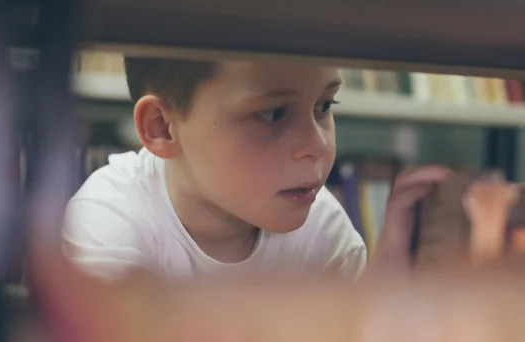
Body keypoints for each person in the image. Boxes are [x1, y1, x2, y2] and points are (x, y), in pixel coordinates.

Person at [62, 57, 451, 280]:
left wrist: (390, 291)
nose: (317, 146)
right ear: (162, 127)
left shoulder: (323, 231)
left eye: (325, 106)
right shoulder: (109, 220)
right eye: (273, 113)